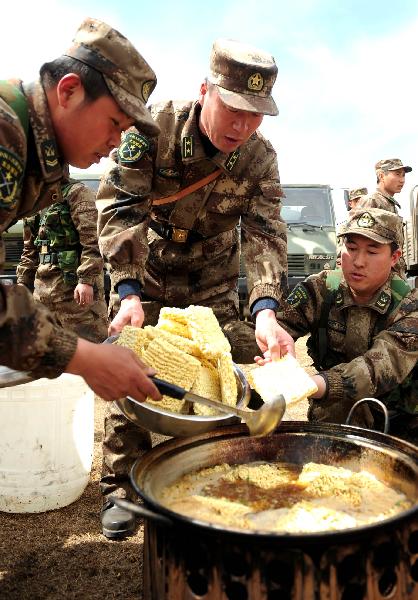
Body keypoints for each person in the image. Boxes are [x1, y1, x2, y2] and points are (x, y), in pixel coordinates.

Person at [97, 38, 292, 538]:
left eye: (256, 115)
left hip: (213, 279)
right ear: (205, 90)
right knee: (133, 369)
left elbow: (266, 232)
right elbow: (120, 208)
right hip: (150, 268)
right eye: (233, 109)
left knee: (215, 378)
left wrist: (266, 308)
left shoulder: (259, 159)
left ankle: (200, 478)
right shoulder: (152, 128)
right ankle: (120, 486)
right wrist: (127, 291)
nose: (242, 126)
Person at [0, 17, 161, 403]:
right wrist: (84, 356)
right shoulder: (5, 134)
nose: (116, 143)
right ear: (69, 91)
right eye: (113, 123)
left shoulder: (36, 158)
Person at [259, 208, 417, 441]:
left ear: (394, 258)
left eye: (372, 251)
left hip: (399, 424)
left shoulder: (409, 305)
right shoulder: (322, 289)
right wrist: (266, 334)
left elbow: (378, 368)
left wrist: (311, 384)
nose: (358, 262)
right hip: (336, 415)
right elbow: (278, 327)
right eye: (351, 248)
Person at [16, 179, 108, 343]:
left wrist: (86, 280)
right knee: (50, 356)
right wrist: (22, 284)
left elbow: (93, 240)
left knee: (91, 350)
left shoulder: (77, 193)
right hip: (43, 295)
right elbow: (29, 249)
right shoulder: (33, 202)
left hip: (75, 295)